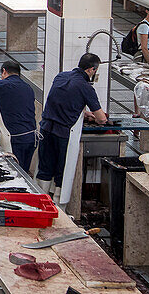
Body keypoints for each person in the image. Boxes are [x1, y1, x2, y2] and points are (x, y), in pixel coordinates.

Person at [36, 53, 107, 195]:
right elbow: (102, 119)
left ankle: (40, 199)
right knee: (62, 171)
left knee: (45, 167)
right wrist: (95, 118)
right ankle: (58, 205)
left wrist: (83, 112)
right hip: (63, 134)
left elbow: (62, 100)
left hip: (45, 128)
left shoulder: (61, 76)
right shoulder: (86, 87)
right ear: (91, 70)